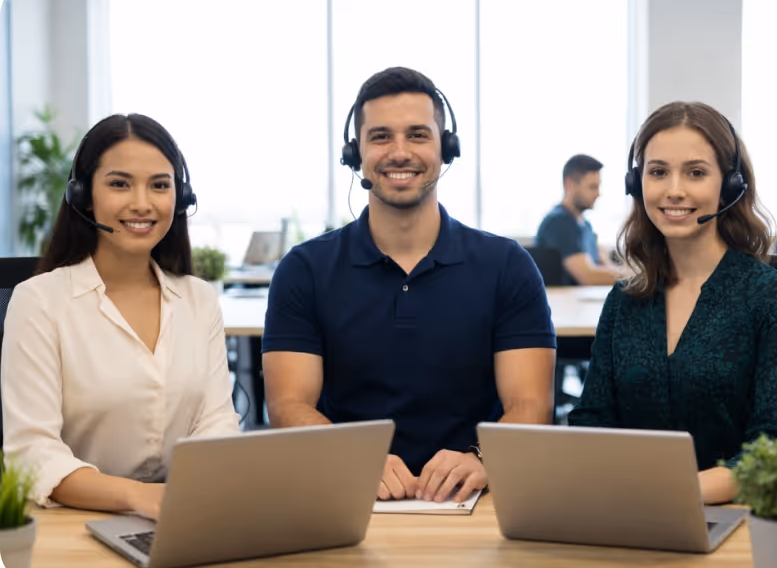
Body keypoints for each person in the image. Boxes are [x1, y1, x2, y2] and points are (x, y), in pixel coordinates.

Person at [262, 67, 556, 504]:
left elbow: (531, 405)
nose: (399, 152)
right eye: (380, 136)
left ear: (446, 149)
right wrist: (355, 456)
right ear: (354, 153)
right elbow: (288, 406)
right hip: (345, 491)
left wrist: (481, 457)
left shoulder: (507, 265)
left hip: (477, 497)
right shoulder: (304, 269)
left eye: (418, 135)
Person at [1, 113, 241, 519]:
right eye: (119, 184)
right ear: (84, 196)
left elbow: (217, 424)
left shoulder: (199, 299)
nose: (142, 203)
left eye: (160, 186)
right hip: (73, 522)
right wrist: (136, 497)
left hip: (181, 515)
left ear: (179, 199)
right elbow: (32, 453)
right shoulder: (40, 301)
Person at [568, 101, 777, 505]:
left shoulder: (773, 298)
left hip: (732, 520)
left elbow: (773, 447)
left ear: (730, 186)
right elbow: (592, 421)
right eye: (658, 171)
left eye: (696, 173)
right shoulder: (624, 301)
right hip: (625, 515)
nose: (674, 189)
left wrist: (674, 493)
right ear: (636, 182)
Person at [535, 154, 621, 285]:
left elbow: (604, 267)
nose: (598, 194)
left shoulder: (586, 226)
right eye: (592, 187)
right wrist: (639, 279)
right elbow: (589, 277)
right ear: (570, 184)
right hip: (564, 304)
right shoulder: (558, 222)